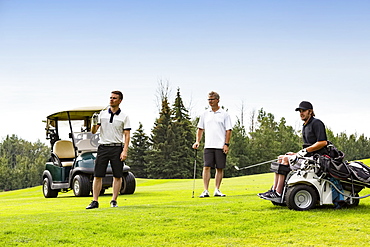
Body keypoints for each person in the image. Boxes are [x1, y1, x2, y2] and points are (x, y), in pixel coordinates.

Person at [258, 101, 328, 200]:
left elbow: (323, 142)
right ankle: (274, 190)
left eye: (303, 111)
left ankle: (278, 192)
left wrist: (304, 151)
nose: (301, 113)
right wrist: (296, 153)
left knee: (286, 159)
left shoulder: (316, 123)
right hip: (308, 158)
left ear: (310, 111)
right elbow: (307, 147)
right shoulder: (305, 125)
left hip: (317, 160)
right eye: (300, 111)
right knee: (281, 158)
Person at [86, 90, 131, 209]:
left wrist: (125, 150)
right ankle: (95, 201)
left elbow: (127, 135)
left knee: (117, 175)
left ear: (120, 101)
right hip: (103, 147)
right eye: (110, 97)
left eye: (114, 98)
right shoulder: (102, 114)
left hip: (117, 148)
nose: (111, 99)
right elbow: (94, 131)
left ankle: (114, 200)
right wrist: (94, 122)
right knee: (97, 175)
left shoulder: (124, 117)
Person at [192, 91, 232, 198]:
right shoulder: (205, 114)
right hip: (208, 145)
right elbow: (200, 129)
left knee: (219, 168)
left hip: (220, 145)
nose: (210, 101)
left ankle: (217, 190)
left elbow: (228, 130)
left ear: (218, 100)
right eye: (209, 99)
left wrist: (226, 144)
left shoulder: (225, 114)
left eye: (212, 99)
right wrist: (197, 141)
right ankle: (205, 190)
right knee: (206, 167)